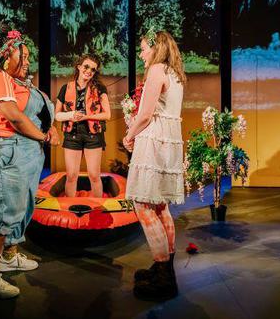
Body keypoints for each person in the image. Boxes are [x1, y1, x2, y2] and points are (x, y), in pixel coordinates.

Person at [0, 23, 59, 299]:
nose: (28, 61)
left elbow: (33, 113)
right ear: (7, 55)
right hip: (1, 149)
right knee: (3, 212)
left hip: (17, 149)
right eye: (23, 56)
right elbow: (14, 116)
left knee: (19, 206)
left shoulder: (15, 82)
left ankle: (8, 256)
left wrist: (49, 127)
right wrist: (44, 137)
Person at [123, 29, 187, 300]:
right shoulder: (175, 73)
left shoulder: (157, 70)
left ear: (156, 47)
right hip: (169, 141)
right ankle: (165, 270)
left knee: (143, 204)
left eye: (143, 48)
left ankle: (162, 275)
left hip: (154, 141)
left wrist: (129, 135)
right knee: (161, 205)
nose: (141, 53)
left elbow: (146, 114)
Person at [55, 55, 110, 197]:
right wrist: (70, 115)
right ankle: (69, 210)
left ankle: (98, 211)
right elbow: (57, 115)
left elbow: (107, 115)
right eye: (86, 67)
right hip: (72, 135)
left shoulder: (99, 88)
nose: (89, 71)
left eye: (93, 69)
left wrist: (86, 116)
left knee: (94, 175)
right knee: (72, 176)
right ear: (79, 66)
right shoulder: (65, 88)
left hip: (93, 135)